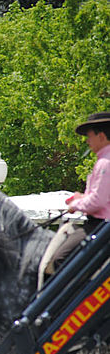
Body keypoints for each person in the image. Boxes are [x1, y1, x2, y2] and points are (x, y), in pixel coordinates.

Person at [44, 111, 110, 274]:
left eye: (89, 136)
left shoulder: (105, 163)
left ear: (101, 136)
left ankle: (77, 298)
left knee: (61, 258)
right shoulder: (103, 161)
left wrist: (76, 204)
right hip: (101, 225)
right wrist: (82, 197)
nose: (87, 141)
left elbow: (98, 202)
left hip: (100, 226)